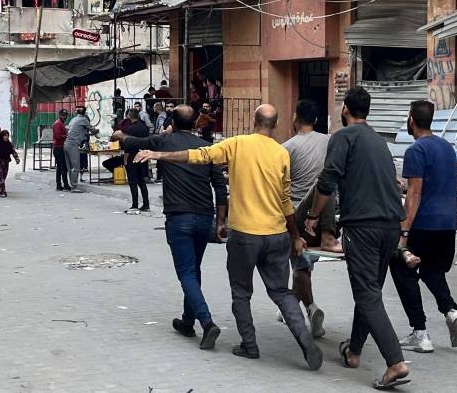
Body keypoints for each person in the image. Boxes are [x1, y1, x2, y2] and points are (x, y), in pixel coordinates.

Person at [136, 104, 323, 371]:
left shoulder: (237, 144)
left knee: (241, 292)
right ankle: (304, 339)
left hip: (245, 235)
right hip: (277, 234)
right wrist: (295, 236)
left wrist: (159, 154)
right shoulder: (281, 153)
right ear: (277, 123)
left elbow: (197, 156)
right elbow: (286, 202)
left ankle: (249, 344)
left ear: (254, 120)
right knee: (281, 292)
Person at [304, 86, 410, 390]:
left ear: (345, 110)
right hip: (391, 225)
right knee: (371, 291)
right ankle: (354, 351)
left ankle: (395, 362)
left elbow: (328, 180)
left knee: (366, 294)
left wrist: (313, 217)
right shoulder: (379, 141)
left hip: (363, 226)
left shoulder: (343, 137)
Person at [114, 105, 227, 350]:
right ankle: (188, 321)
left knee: (186, 272)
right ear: (197, 122)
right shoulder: (207, 148)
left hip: (179, 217)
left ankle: (207, 323)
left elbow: (134, 142)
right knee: (194, 269)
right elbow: (220, 186)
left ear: (172, 123)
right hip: (205, 216)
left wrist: (119, 135)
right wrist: (221, 221)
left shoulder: (164, 141)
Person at [390, 100, 457, 354]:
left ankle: (420, 332)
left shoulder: (416, 150)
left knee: (402, 269)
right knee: (431, 270)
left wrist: (403, 232)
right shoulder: (446, 147)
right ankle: (451, 310)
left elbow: (415, 194)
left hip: (424, 222)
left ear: (411, 119)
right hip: (447, 224)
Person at [281, 100, 335, 339]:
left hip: (297, 214)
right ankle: (294, 305)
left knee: (300, 264)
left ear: (295, 118)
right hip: (327, 213)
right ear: (315, 120)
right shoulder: (330, 141)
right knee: (303, 266)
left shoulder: (288, 147)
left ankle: (310, 308)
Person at [116, 108, 151, 212]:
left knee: (132, 181)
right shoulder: (144, 127)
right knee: (142, 181)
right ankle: (146, 203)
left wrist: (125, 158)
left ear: (129, 116)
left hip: (132, 156)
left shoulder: (130, 129)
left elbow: (128, 145)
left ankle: (135, 204)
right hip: (142, 156)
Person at [65, 106, 98, 193]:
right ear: (85, 113)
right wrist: (97, 131)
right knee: (76, 167)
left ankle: (72, 184)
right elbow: (93, 130)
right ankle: (74, 186)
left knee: (70, 167)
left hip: (66, 144)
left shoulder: (73, 119)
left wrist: (87, 134)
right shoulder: (84, 119)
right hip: (73, 144)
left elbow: (80, 131)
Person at [52, 109, 71, 191]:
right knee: (63, 167)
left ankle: (59, 185)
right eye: (63, 115)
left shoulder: (61, 123)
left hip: (59, 147)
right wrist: (66, 136)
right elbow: (57, 136)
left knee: (60, 167)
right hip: (58, 147)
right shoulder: (58, 124)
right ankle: (65, 185)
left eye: (66, 115)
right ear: (60, 115)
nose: (65, 117)